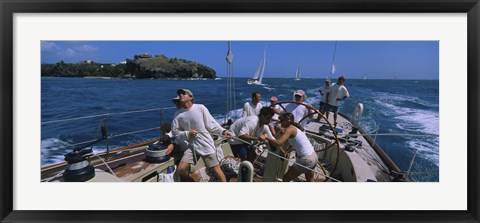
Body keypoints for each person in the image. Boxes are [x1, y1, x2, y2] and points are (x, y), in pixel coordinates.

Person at [172, 89, 232, 182]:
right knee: (181, 169)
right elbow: (175, 133)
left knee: (217, 170)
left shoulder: (200, 108)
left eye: (183, 93)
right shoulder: (178, 115)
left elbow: (212, 124)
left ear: (191, 97)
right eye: (179, 93)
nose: (180, 94)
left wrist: (224, 132)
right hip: (192, 146)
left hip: (206, 144)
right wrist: (187, 133)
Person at [261, 113, 318, 182]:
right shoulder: (295, 128)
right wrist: (286, 151)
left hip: (306, 159)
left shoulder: (289, 129)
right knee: (310, 180)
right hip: (313, 156)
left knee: (286, 179)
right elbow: (293, 144)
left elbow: (278, 143)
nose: (280, 122)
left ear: (287, 121)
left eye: (282, 120)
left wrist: (266, 137)